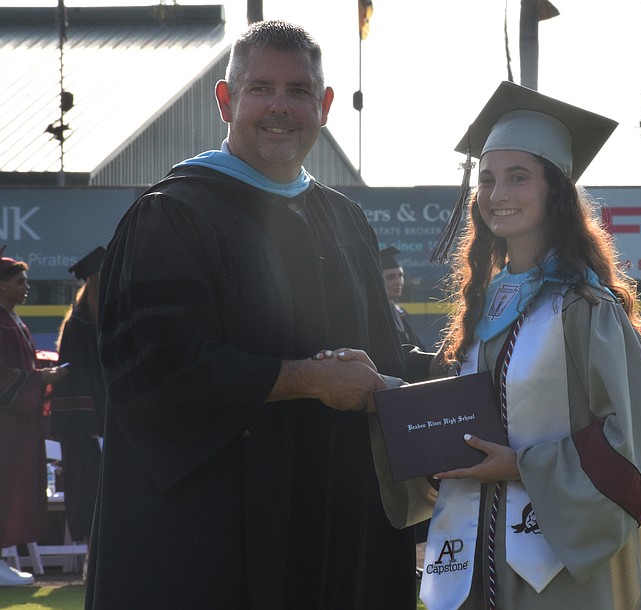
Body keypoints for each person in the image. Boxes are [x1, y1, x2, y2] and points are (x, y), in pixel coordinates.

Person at [85, 21, 421, 610]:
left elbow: (382, 359)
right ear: (225, 100)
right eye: (261, 88)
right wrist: (311, 380)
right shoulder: (171, 216)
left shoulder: (344, 221)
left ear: (325, 106)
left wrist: (476, 364)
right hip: (211, 531)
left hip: (337, 524)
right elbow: (161, 370)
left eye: (298, 91)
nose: (280, 107)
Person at [367, 81, 641, 609]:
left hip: (557, 568)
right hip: (476, 554)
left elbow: (640, 449)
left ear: (556, 190)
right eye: (486, 179)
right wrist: (379, 393)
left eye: (518, 177)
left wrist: (523, 466)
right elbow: (460, 417)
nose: (497, 194)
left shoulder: (586, 309)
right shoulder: (484, 307)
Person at [0, 246, 68, 586]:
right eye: (20, 282)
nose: (26, 287)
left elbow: (21, 366)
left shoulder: (14, 320)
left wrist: (44, 369)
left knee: (13, 487)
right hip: (4, 424)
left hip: (18, 424)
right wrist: (41, 378)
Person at [50, 247, 107, 550]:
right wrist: (91, 424)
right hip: (85, 427)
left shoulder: (98, 321)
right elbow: (76, 379)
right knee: (87, 486)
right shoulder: (79, 324)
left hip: (102, 422)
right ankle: (89, 552)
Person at [380, 246, 425, 349]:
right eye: (390, 277)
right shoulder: (373, 316)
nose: (398, 282)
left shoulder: (402, 313)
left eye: (400, 275)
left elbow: (418, 347)